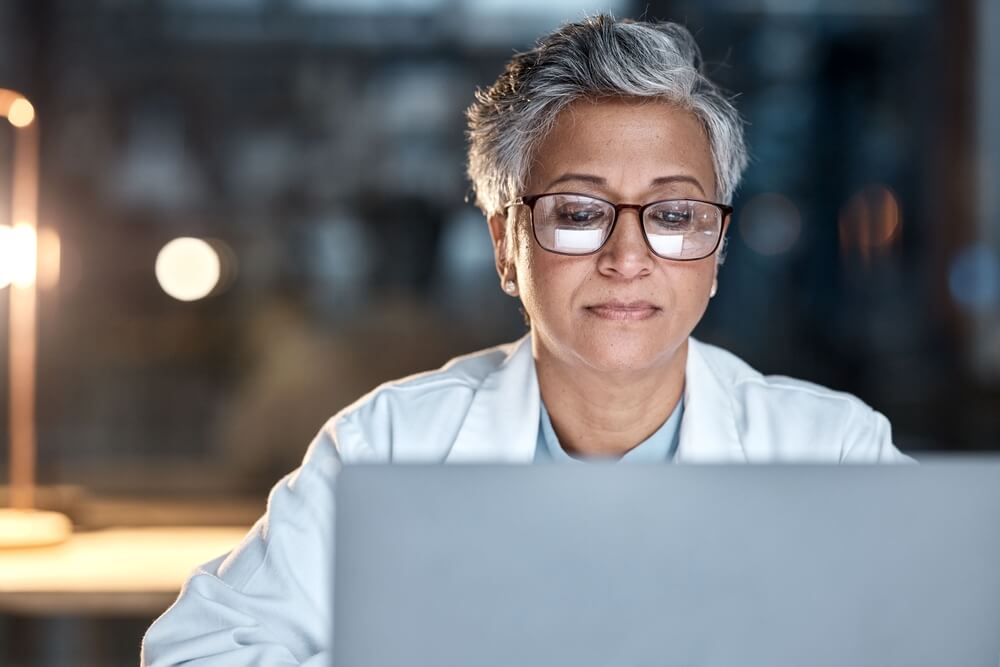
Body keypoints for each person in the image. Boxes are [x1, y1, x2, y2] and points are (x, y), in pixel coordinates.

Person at [141, 14, 913, 666]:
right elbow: (198, 649)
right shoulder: (387, 446)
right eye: (579, 212)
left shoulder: (833, 452)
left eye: (674, 216)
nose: (628, 257)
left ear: (716, 256)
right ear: (506, 244)